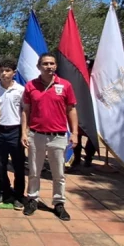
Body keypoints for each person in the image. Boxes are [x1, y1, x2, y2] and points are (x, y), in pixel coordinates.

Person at [22, 53, 78, 221]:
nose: (49, 66)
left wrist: (74, 133)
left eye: (52, 63)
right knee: (34, 170)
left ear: (56, 66)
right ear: (39, 67)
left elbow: (71, 109)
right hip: (36, 135)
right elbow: (26, 110)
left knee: (59, 173)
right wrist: (24, 132)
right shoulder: (31, 86)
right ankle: (32, 199)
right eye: (45, 64)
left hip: (58, 136)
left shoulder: (65, 85)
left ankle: (59, 202)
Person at [0, 57, 27, 210]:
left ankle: (19, 195)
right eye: (1, 70)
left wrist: (24, 132)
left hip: (15, 130)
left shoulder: (20, 90)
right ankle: (3, 191)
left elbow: (25, 112)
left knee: (18, 165)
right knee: (0, 164)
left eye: (7, 70)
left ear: (14, 72)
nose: (4, 74)